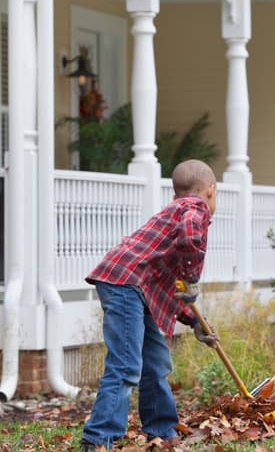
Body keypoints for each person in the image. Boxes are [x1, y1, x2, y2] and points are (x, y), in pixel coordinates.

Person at [80, 159, 220, 451]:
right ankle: (97, 439)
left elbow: (171, 288)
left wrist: (195, 321)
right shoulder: (194, 209)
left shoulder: (177, 209)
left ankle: (161, 429)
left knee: (155, 362)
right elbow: (190, 238)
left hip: (135, 286)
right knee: (126, 363)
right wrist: (192, 279)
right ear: (210, 190)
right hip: (124, 285)